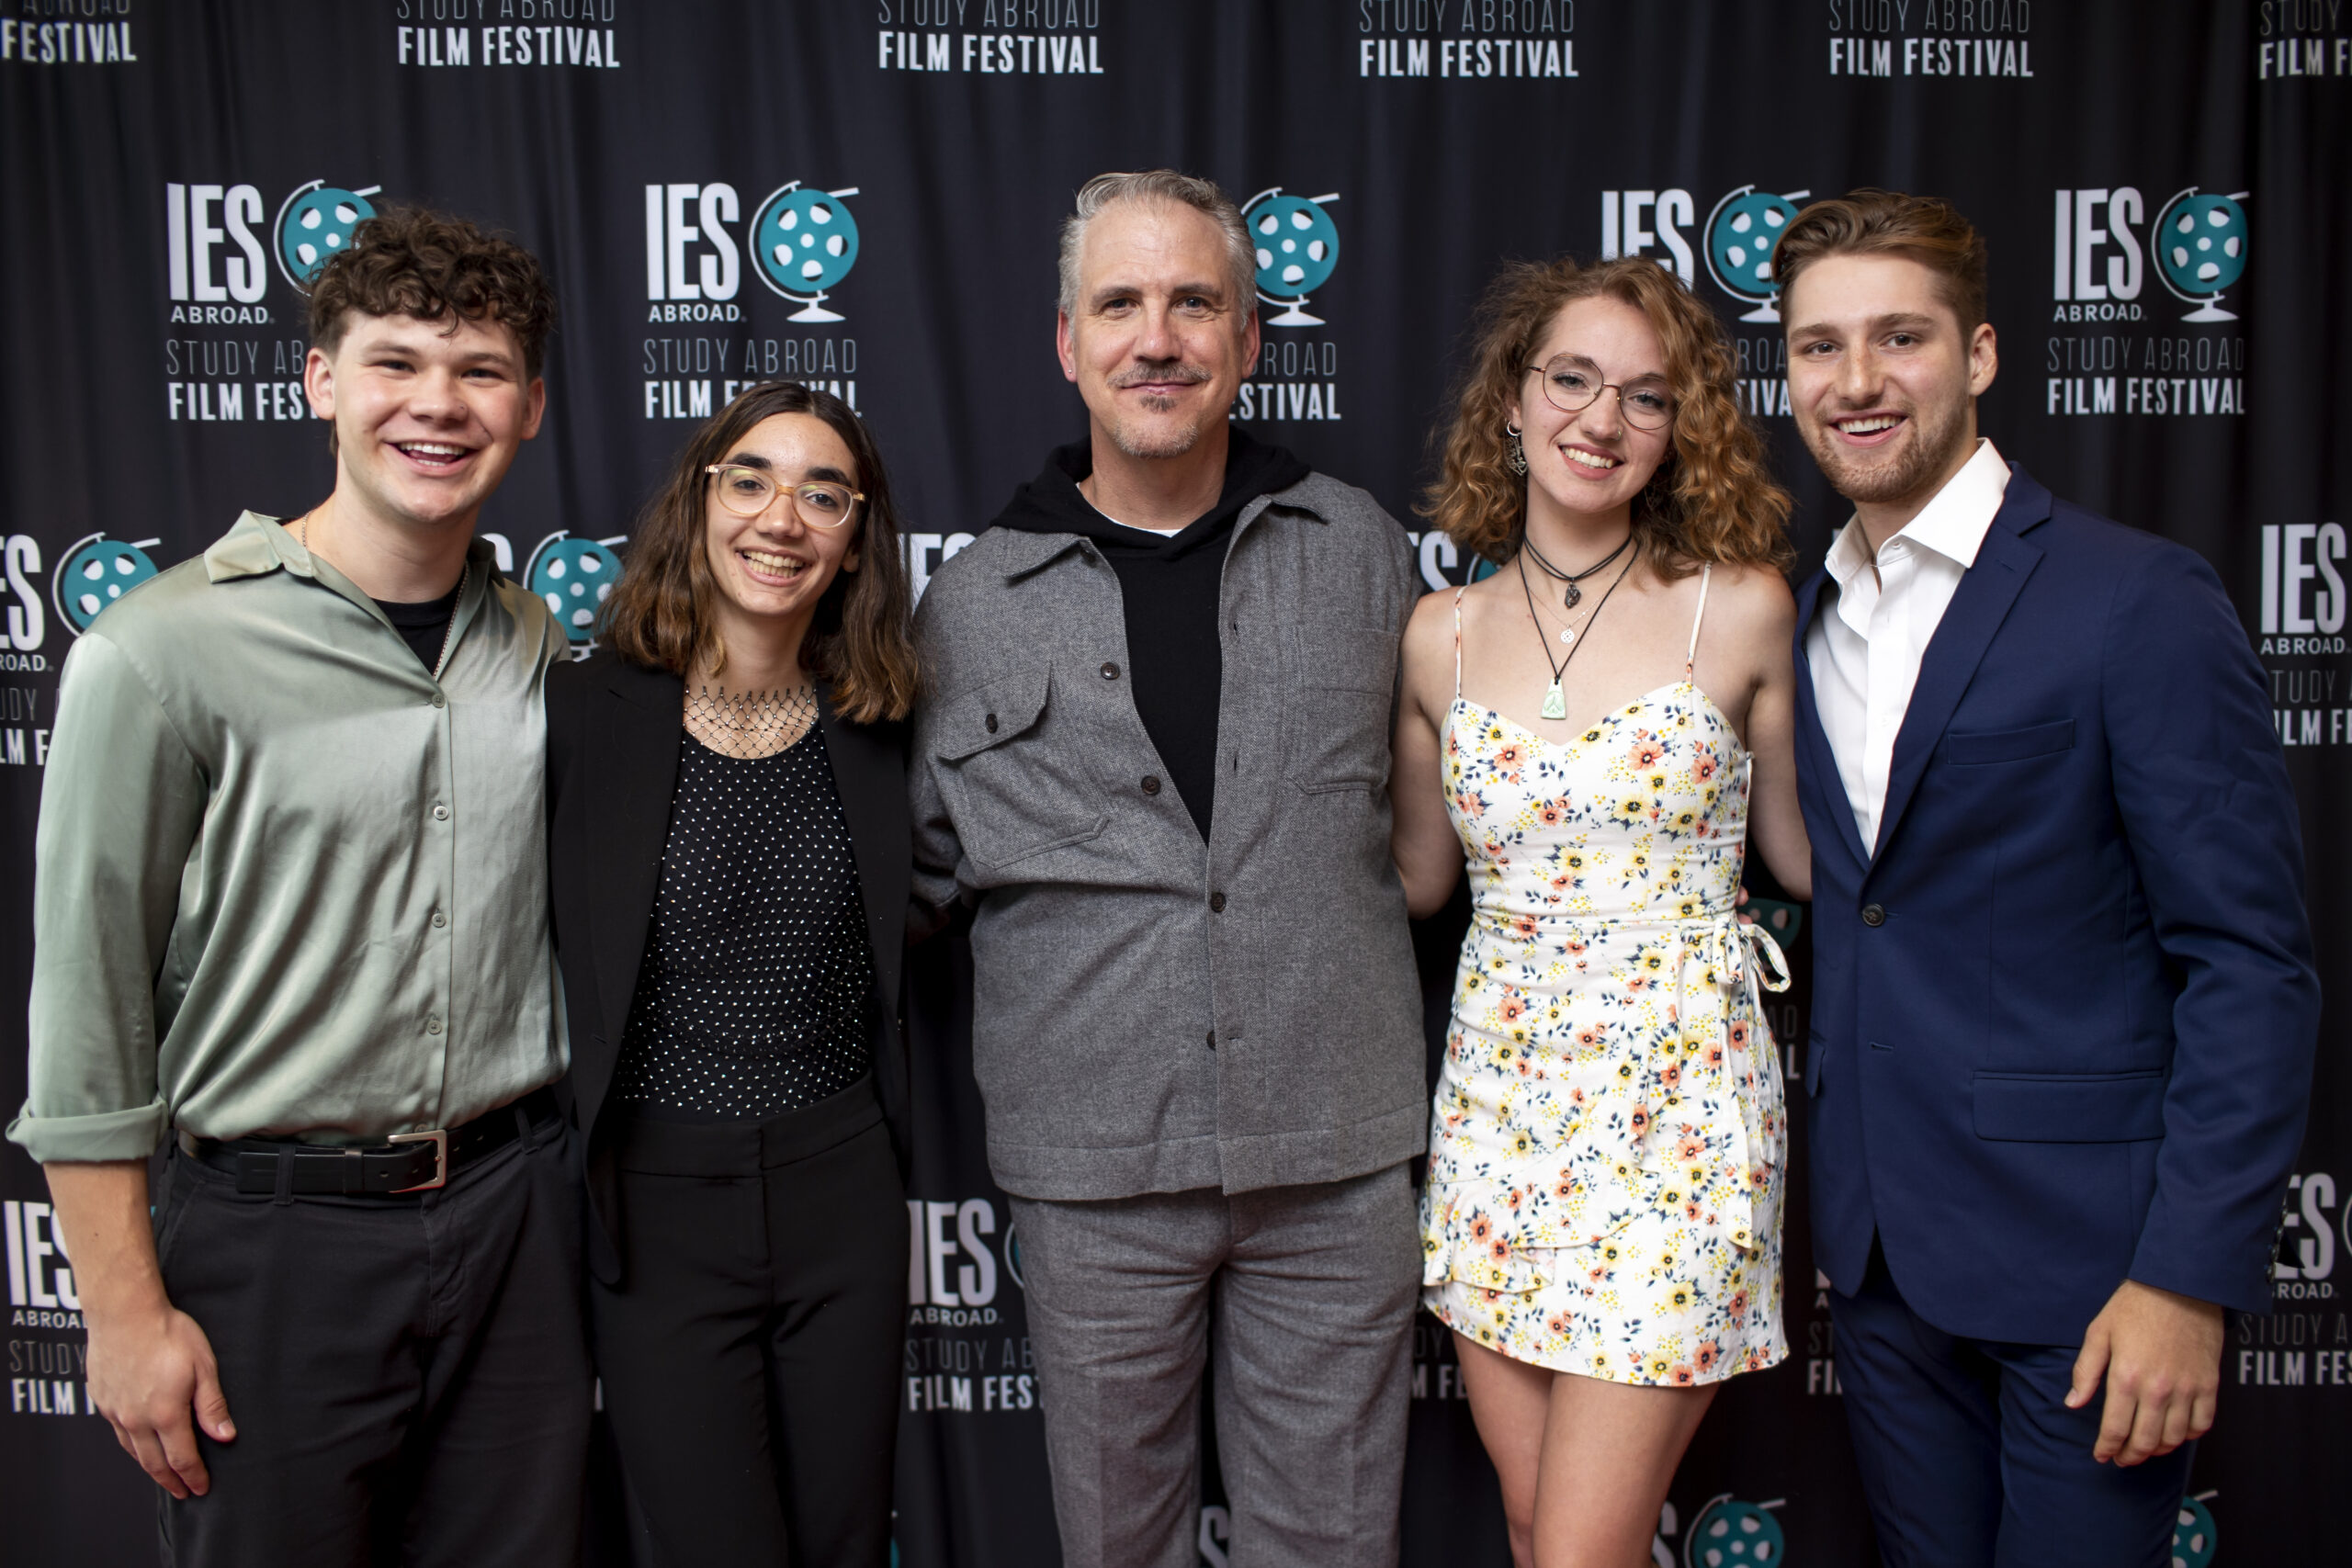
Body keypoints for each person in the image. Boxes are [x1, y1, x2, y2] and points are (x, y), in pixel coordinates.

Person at [7, 208, 582, 1564]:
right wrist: (123, 1317)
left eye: (481, 371)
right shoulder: (161, 652)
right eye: (394, 363)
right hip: (273, 1244)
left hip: (516, 1228)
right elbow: (86, 1018)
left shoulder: (535, 641)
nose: (437, 404)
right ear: (320, 381)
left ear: (534, 407)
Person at [1774, 189, 2318, 1567]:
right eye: (1819, 346)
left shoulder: (2134, 600)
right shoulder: (1800, 611)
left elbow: (2249, 960)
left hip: (2095, 1270)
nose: (1857, 382)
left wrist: (2188, 1278)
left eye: (1900, 338)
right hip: (1886, 1260)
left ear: (1983, 356)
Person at [909, 169, 1425, 1568]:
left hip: (1335, 1156)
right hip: (1094, 1171)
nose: (1160, 337)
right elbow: (919, 880)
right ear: (1067, 343)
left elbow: (1449, 831)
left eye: (1197, 301)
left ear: (1250, 342)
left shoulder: (1364, 553)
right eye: (1120, 303)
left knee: (1331, 1546)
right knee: (1116, 1547)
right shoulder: (966, 607)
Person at [1393, 255, 1811, 1567]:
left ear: (1678, 431)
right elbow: (1414, 881)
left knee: (1579, 1549)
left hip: (1677, 1113)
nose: (1601, 418)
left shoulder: (1737, 611)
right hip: (1500, 1114)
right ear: (1511, 404)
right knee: (1536, 1530)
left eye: (1645, 394)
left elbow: (1806, 856)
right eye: (1571, 379)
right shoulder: (1436, 634)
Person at [544, 381, 919, 1566]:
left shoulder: (886, 720)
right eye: (750, 479)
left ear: (857, 535)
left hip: (841, 1189)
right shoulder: (580, 712)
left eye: (825, 493)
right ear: (699, 502)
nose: (782, 518)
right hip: (657, 1207)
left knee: (847, 1543)